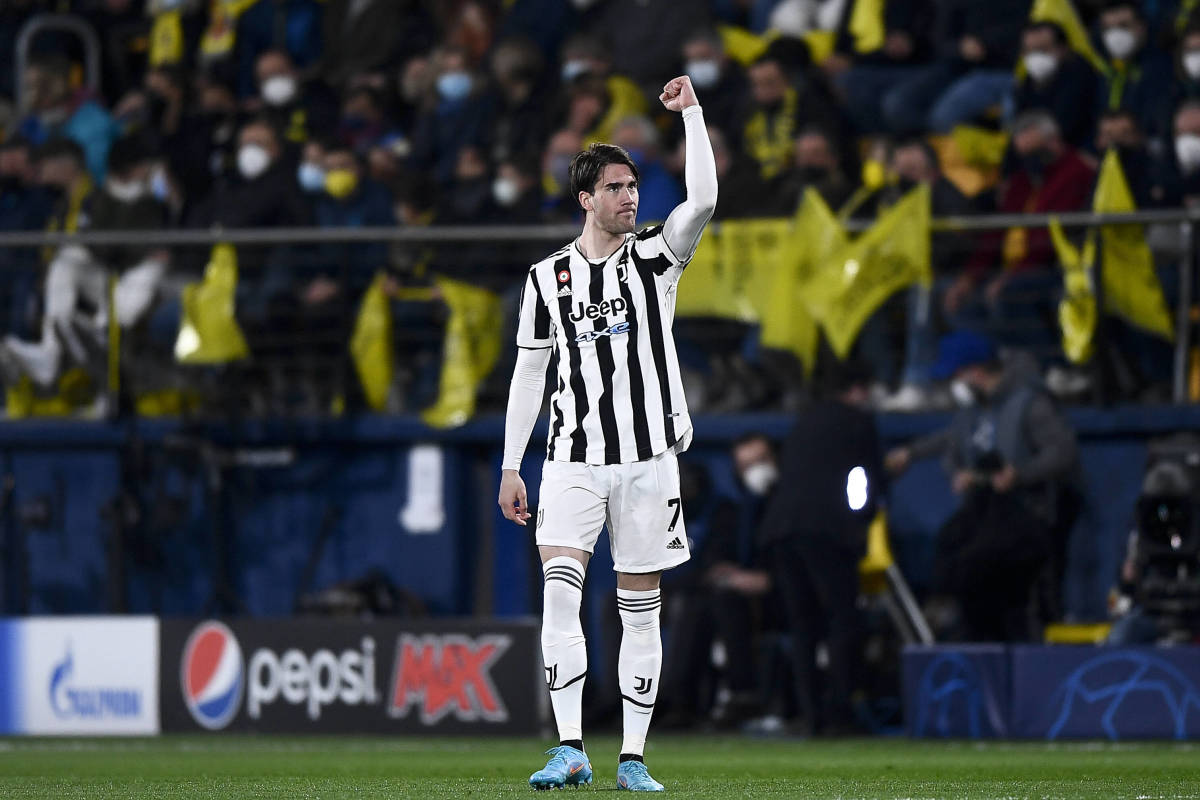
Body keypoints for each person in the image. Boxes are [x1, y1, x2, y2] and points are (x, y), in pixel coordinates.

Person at [498, 75, 716, 793]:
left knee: (638, 610)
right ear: (586, 198)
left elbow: (706, 200)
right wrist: (510, 465)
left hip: (649, 460)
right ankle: (569, 749)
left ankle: (632, 757)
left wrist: (692, 116)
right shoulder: (546, 279)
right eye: (617, 187)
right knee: (561, 597)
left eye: (634, 185)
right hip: (571, 461)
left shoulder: (658, 257)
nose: (632, 196)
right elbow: (530, 376)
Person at [886, 332, 1081, 641]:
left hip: (1025, 514)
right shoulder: (974, 408)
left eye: (956, 375)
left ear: (975, 371)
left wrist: (1020, 473)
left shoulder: (1029, 402)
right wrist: (913, 453)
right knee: (951, 540)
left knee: (979, 561)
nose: (954, 384)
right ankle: (948, 615)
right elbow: (951, 439)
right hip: (984, 512)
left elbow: (1063, 452)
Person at [758, 362, 883, 735]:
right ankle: (840, 713)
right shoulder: (859, 423)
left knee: (802, 626)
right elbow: (864, 482)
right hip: (826, 529)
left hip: (781, 528)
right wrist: (861, 521)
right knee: (843, 619)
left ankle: (812, 716)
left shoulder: (805, 421)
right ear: (859, 389)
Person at [1011, 21, 1098, 149]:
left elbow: (1067, 127)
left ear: (1063, 49)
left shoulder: (1081, 76)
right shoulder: (1027, 83)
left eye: (1043, 49)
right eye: (1029, 51)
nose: (1035, 57)